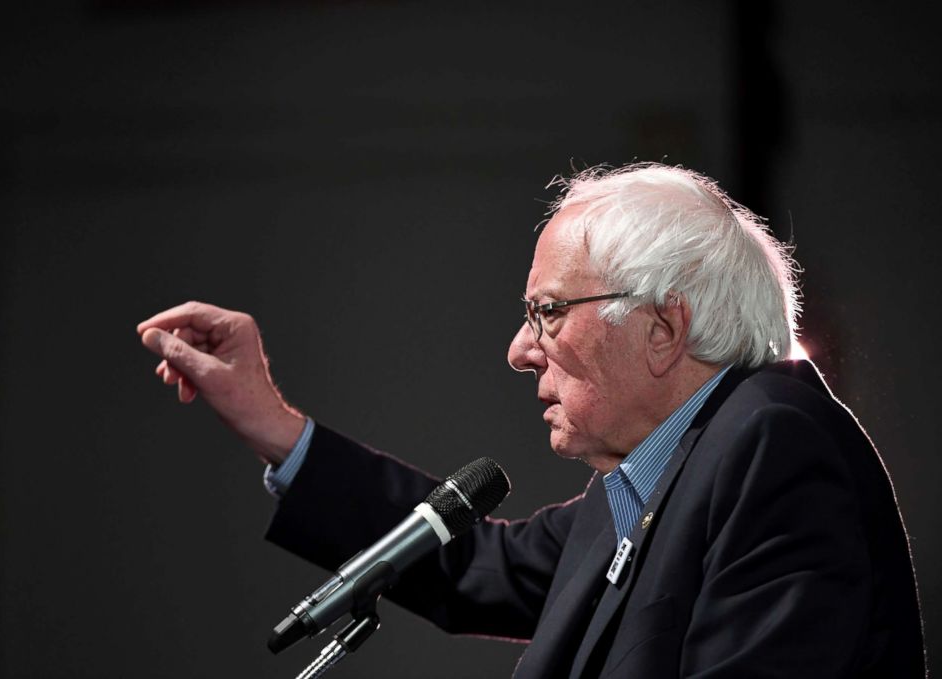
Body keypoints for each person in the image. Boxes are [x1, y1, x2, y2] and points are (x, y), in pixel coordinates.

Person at [137, 164, 925, 677]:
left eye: (547, 312)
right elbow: (469, 560)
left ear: (662, 328)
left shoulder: (772, 445)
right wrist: (273, 423)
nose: (521, 349)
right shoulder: (663, 471)